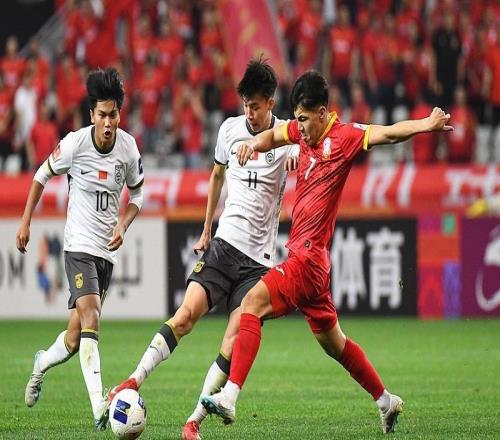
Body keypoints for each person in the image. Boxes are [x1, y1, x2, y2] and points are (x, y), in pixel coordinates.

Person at [201, 71, 453, 434]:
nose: (299, 128)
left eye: (304, 119)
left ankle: (229, 396)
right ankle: (386, 400)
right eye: (297, 119)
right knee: (336, 344)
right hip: (313, 263)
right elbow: (274, 135)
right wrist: (252, 144)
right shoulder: (301, 133)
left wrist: (426, 125)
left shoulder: (344, 137)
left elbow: (388, 133)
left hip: (306, 259)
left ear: (323, 113)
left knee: (251, 303)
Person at [107, 58, 297, 440]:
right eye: (245, 105)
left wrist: (296, 154)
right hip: (224, 246)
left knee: (232, 340)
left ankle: (193, 422)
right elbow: (216, 176)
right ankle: (133, 380)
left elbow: (304, 153)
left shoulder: (286, 136)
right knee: (185, 317)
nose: (250, 113)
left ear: (271, 102)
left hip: (258, 263)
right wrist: (207, 229)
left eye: (256, 106)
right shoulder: (228, 130)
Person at [16, 67, 144, 430]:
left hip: (107, 253)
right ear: (92, 115)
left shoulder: (128, 148)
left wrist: (123, 223)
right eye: (102, 115)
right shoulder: (75, 144)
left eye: (113, 114)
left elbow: (138, 195)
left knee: (75, 338)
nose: (108, 122)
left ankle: (41, 363)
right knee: (92, 317)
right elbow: (41, 174)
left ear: (119, 113)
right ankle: (100, 406)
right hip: (78, 246)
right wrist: (26, 222)